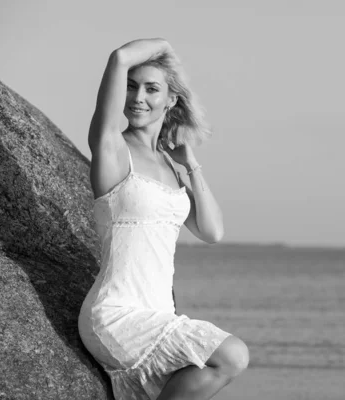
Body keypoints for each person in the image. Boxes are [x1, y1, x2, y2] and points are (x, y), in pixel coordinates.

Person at [78, 38, 249, 400]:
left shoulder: (171, 165)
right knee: (232, 355)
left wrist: (192, 166)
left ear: (170, 100)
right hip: (117, 314)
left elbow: (212, 231)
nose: (137, 97)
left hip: (158, 314)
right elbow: (120, 57)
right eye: (131, 86)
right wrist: (166, 46)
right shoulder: (112, 147)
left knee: (213, 367)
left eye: (151, 89)